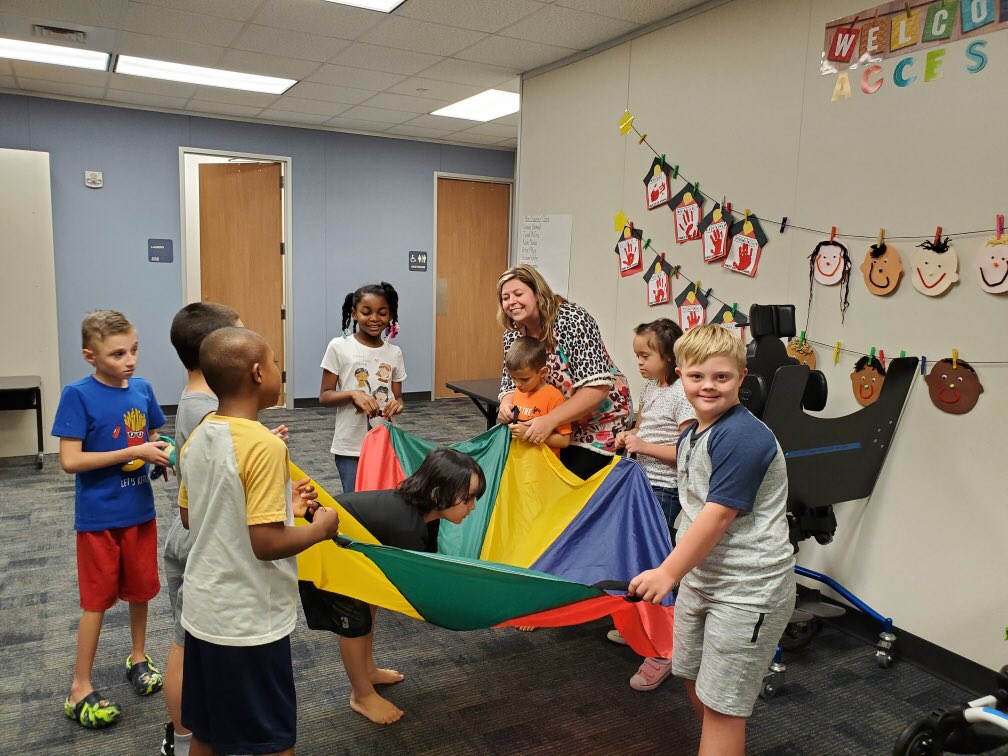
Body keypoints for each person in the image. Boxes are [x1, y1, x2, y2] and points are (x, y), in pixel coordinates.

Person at [628, 324, 796, 756]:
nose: (708, 386)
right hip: (703, 579)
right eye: (696, 376)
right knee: (692, 677)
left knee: (723, 707)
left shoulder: (743, 436)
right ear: (680, 375)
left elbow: (717, 516)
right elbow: (694, 506)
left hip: (747, 590)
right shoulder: (692, 434)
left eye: (721, 377)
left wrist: (667, 572)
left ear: (741, 378)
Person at [178, 327, 340, 756]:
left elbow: (191, 515)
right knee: (272, 739)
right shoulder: (265, 446)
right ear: (256, 374)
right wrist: (320, 529)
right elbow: (266, 543)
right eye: (272, 362)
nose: (276, 370)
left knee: (207, 731)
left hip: (204, 609)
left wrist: (280, 503)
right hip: (248, 619)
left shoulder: (200, 433)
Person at [299, 449, 485, 726]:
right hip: (326, 551)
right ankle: (361, 694)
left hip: (354, 552)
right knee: (354, 624)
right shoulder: (407, 526)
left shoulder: (423, 516)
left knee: (370, 603)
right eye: (467, 498)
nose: (472, 507)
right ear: (437, 495)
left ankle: (368, 670)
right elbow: (414, 587)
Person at [52, 310, 171, 729]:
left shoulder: (142, 389)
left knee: (141, 590)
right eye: (118, 353)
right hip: (98, 520)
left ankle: (138, 657)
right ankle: (79, 686)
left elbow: (154, 436)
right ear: (91, 356)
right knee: (96, 602)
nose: (130, 360)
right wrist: (132, 452)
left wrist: (160, 453)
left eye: (134, 349)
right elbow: (70, 460)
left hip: (139, 512)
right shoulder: (78, 395)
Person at [612, 318, 696, 690]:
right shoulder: (650, 387)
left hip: (663, 490)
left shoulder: (683, 395)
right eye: (637, 355)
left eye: (646, 355)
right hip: (638, 484)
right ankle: (641, 624)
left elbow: (687, 454)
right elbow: (642, 427)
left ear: (669, 356)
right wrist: (629, 436)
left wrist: (642, 446)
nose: (640, 363)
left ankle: (663, 650)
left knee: (657, 566)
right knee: (634, 558)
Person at [496, 265, 632, 479]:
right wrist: (506, 403)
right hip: (551, 423)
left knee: (570, 487)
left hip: (596, 422)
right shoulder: (513, 333)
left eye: (518, 294)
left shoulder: (572, 319)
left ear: (538, 294)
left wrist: (550, 421)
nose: (511, 301)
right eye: (505, 297)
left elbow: (597, 389)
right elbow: (509, 383)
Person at [320, 282, 406, 493]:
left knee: (384, 499)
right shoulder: (339, 346)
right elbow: (324, 395)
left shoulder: (394, 353)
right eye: (366, 312)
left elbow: (398, 397)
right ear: (354, 314)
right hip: (349, 445)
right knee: (355, 502)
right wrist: (352, 394)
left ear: (391, 315)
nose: (375, 318)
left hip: (385, 441)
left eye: (382, 313)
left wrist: (397, 405)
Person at [505, 335, 571, 455]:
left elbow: (564, 441)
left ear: (542, 372)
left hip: (543, 467)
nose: (518, 384)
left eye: (524, 379)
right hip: (521, 461)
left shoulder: (554, 397)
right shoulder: (518, 391)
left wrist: (527, 434)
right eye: (513, 378)